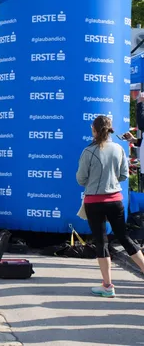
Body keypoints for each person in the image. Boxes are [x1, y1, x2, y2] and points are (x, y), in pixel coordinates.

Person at [77, 115, 144, 297]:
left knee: (101, 242)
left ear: (94, 130)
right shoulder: (119, 149)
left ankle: (107, 285)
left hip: (94, 201)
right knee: (124, 237)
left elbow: (81, 179)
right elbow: (124, 176)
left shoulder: (88, 151)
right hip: (115, 200)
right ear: (110, 129)